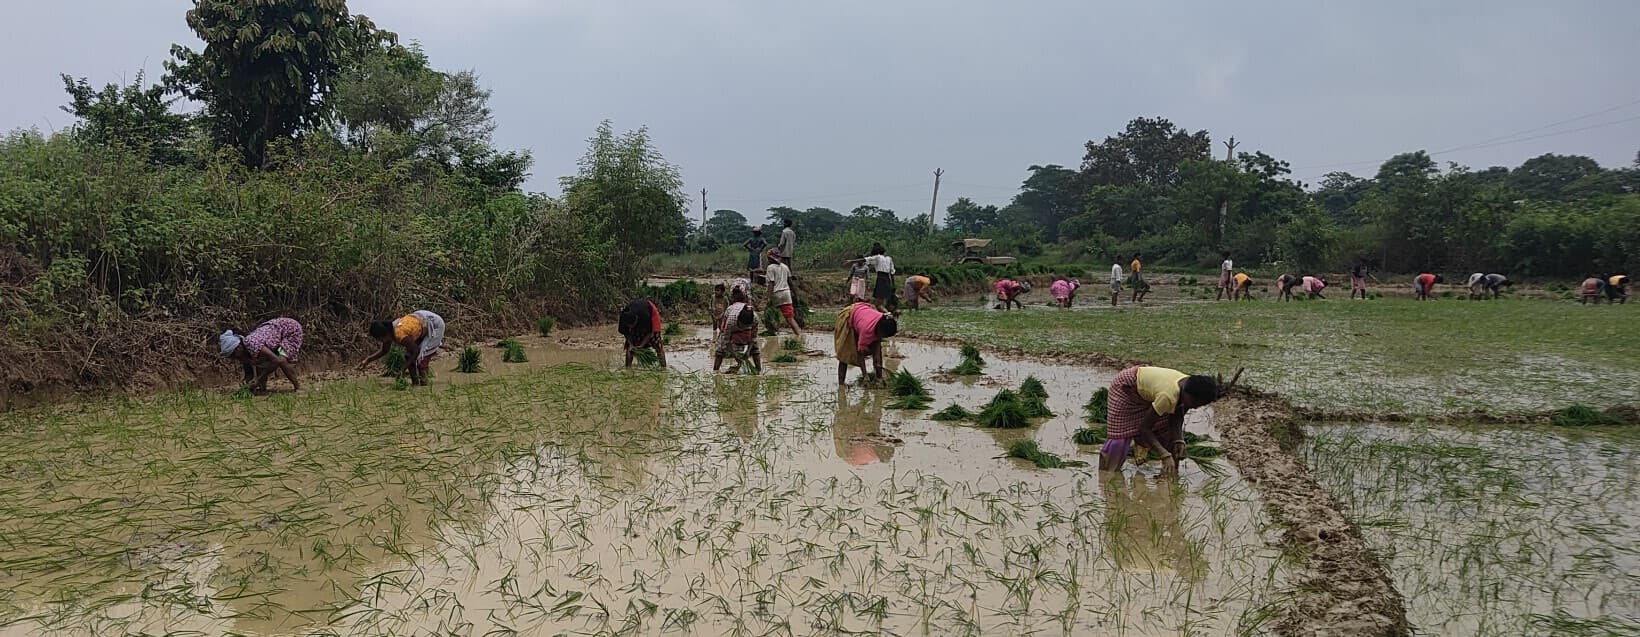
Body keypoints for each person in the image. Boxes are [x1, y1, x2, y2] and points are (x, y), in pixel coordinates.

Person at [1098, 366, 1221, 474]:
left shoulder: (1190, 387)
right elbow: (1144, 428)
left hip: (1150, 390)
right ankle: (1107, 474)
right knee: (1119, 437)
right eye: (1194, 403)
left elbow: (1177, 416)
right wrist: (1163, 454)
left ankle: (1170, 475)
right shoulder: (1168, 396)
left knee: (1167, 432)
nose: (1195, 407)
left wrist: (1179, 440)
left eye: (1200, 405)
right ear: (1186, 393)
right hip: (1126, 387)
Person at [358, 310, 446, 386]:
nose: (380, 341)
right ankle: (415, 383)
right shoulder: (389, 332)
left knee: (421, 360)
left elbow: (416, 351)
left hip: (434, 324)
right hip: (420, 321)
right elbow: (385, 350)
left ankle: (424, 385)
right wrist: (368, 360)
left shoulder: (399, 334)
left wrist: (402, 370)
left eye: (379, 339)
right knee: (408, 357)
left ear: (384, 335)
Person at [219, 317, 304, 392]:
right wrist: (247, 385)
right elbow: (249, 373)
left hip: (290, 329)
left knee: (282, 360)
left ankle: (297, 387)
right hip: (276, 332)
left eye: (234, 355)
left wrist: (258, 378)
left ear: (238, 348)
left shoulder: (252, 344)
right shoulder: (245, 353)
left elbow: (276, 360)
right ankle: (262, 388)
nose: (235, 359)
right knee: (260, 363)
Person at [834, 301, 897, 385]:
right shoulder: (866, 331)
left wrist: (879, 376)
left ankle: (878, 378)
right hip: (850, 316)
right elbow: (860, 354)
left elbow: (877, 353)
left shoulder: (882, 321)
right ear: (880, 331)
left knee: (876, 349)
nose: (883, 338)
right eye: (883, 335)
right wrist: (865, 376)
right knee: (845, 353)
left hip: (863, 314)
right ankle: (841, 384)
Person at [713, 289, 761, 373]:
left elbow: (753, 338)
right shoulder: (731, 320)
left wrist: (748, 351)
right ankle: (715, 371)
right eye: (742, 325)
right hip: (731, 325)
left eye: (746, 326)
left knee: (755, 348)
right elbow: (726, 340)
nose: (743, 327)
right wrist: (735, 356)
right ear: (738, 320)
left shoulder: (755, 318)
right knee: (720, 347)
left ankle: (758, 370)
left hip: (747, 330)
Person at [617, 299, 667, 368]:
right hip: (638, 317)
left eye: (632, 325)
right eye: (629, 326)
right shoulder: (623, 317)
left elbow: (650, 332)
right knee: (630, 348)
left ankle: (663, 368)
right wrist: (631, 343)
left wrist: (641, 345)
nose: (631, 327)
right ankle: (628, 369)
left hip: (651, 314)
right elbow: (625, 332)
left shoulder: (645, 315)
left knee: (658, 345)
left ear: (636, 319)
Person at [765, 249, 802, 339]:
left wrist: (769, 298)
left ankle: (773, 334)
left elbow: (771, 283)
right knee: (790, 318)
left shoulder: (770, 268)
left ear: (770, 259)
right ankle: (799, 335)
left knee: (771, 316)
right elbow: (790, 282)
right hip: (786, 294)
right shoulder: (785, 267)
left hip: (776, 294)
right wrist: (796, 294)